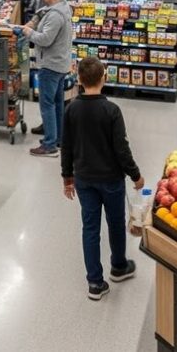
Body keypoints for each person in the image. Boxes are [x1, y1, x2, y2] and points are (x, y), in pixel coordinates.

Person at [62, 56, 143, 301]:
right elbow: (121, 149)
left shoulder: (71, 108)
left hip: (84, 178)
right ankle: (118, 266)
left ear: (79, 80)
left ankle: (95, 282)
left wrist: (67, 177)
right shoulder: (111, 110)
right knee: (116, 223)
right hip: (111, 180)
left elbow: (66, 146)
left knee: (90, 227)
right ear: (104, 79)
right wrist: (135, 175)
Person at [22, 0, 72, 158]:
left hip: (50, 65)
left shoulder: (55, 16)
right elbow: (44, 11)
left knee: (47, 104)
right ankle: (58, 138)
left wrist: (29, 32)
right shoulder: (62, 7)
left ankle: (50, 144)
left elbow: (45, 39)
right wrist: (35, 20)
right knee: (57, 103)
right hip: (60, 63)